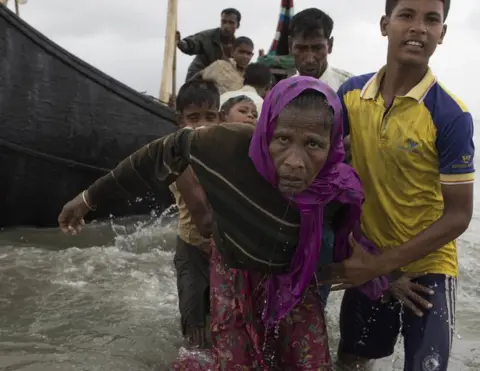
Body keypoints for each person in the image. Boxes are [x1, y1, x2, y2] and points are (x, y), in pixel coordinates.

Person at [57, 76, 387, 370]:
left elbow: (357, 239)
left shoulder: (339, 186)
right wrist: (88, 199)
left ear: (331, 148)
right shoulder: (225, 145)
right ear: (265, 132)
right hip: (234, 272)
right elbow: (155, 155)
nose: (295, 161)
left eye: (313, 144)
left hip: (293, 280)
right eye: (283, 140)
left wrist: (389, 272)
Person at [327, 0, 475, 370]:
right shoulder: (350, 95)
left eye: (431, 20)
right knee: (351, 361)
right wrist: (370, 263)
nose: (418, 28)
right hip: (368, 254)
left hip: (428, 268)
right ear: (384, 24)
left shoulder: (450, 115)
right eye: (406, 15)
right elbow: (327, 176)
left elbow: (459, 215)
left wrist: (382, 267)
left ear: (442, 33)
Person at [170, 79, 219, 350]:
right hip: (191, 248)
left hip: (223, 252)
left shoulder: (226, 153)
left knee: (224, 318)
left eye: (210, 117)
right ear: (180, 121)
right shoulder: (176, 158)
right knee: (195, 324)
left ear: (220, 119)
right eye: (193, 118)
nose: (202, 125)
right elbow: (204, 221)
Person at [289, 8, 352, 90]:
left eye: (317, 48)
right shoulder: (281, 92)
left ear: (330, 45)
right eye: (301, 49)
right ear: (290, 46)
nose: (309, 59)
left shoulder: (350, 90)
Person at [178, 8, 242, 80]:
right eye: (224, 22)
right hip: (198, 80)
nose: (226, 26)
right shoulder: (208, 36)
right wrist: (181, 43)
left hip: (221, 82)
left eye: (231, 23)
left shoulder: (238, 46)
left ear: (238, 25)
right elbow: (192, 43)